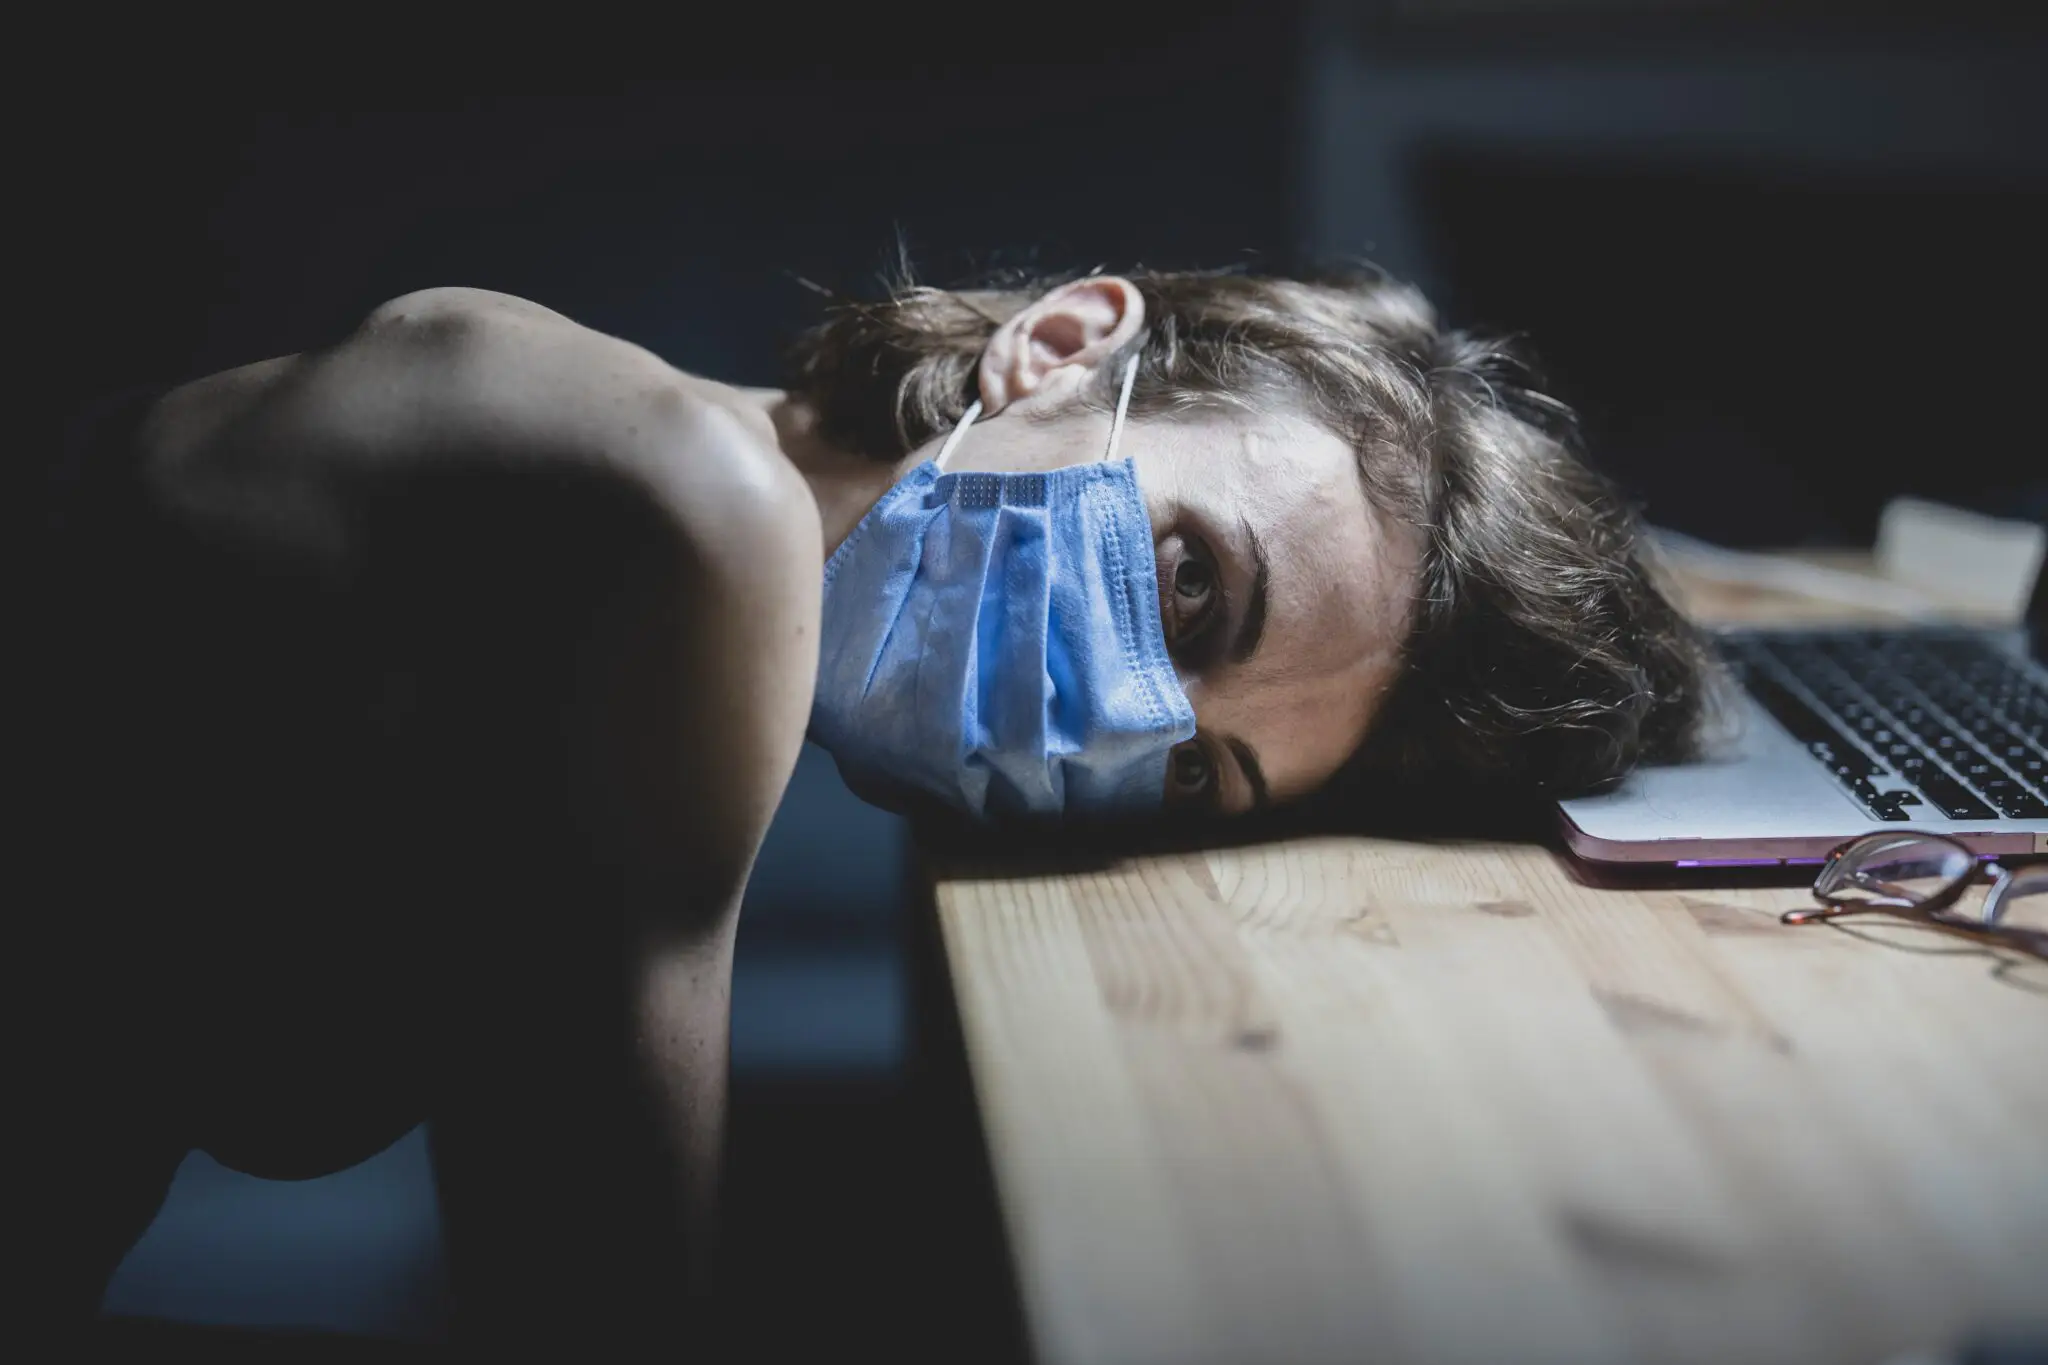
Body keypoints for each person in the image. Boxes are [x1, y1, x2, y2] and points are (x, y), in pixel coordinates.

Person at [35, 265, 1710, 1349]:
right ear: (1057, 347)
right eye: (1188, 587)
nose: (1125, 716)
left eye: (1199, 770)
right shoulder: (685, 522)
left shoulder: (659, 455)